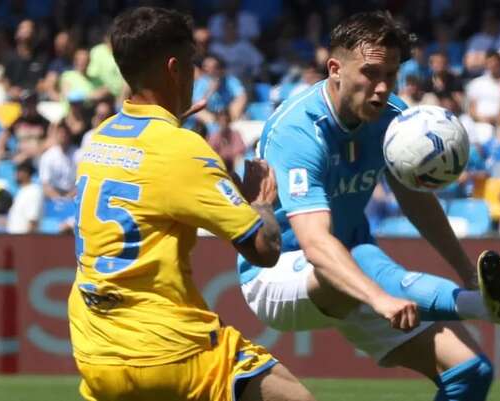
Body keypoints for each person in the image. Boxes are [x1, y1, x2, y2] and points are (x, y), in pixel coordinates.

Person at [237, 11, 500, 401]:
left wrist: (466, 271)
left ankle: (476, 299)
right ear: (335, 70)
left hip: (353, 270)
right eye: (370, 73)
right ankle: (477, 307)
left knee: (470, 372)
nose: (382, 88)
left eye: (390, 75)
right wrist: (379, 298)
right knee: (350, 258)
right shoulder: (298, 132)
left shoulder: (391, 120)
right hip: (277, 273)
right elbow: (315, 244)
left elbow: (417, 202)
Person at [69, 7, 317, 401]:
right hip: (169, 352)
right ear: (174, 68)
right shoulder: (182, 149)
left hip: (94, 349)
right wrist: (261, 202)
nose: (194, 74)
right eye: (191, 64)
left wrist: (172, 125)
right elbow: (264, 249)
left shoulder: (102, 137)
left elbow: (150, 164)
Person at [6, 158, 42, 234]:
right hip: (15, 239)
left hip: (24, 240)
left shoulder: (34, 191)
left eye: (19, 171)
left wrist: (26, 242)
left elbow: (32, 220)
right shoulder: (21, 191)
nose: (16, 174)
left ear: (27, 173)